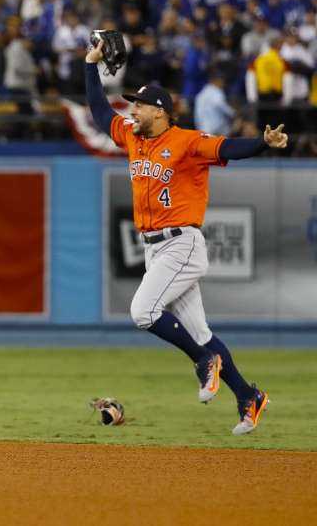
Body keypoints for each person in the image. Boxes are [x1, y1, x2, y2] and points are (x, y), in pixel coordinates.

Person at [84, 37, 288, 435]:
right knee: (201, 333)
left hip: (181, 243)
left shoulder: (187, 142)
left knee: (142, 312)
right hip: (154, 248)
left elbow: (229, 146)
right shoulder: (133, 137)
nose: (133, 109)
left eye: (140, 104)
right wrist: (90, 64)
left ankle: (202, 361)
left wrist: (262, 143)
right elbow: (97, 110)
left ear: (160, 112)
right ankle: (249, 396)